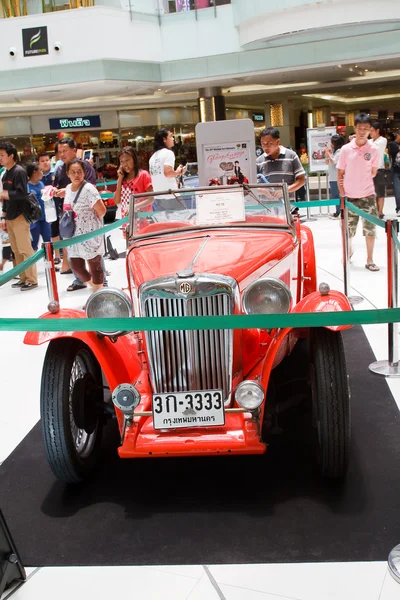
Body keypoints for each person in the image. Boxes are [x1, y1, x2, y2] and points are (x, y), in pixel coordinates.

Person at [54, 137, 98, 289]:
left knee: (92, 251)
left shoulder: (85, 166)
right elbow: (60, 186)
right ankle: (82, 280)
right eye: (59, 152)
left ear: (74, 150)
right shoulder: (60, 169)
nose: (62, 154)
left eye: (64, 151)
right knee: (74, 251)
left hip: (86, 216)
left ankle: (99, 281)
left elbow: (90, 188)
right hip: (68, 214)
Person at [337, 113, 380, 271]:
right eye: (360, 128)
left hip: (368, 195)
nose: (362, 131)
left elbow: (374, 171)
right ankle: (347, 251)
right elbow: (340, 173)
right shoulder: (346, 149)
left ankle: (370, 259)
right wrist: (342, 193)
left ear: (370, 130)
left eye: (366, 129)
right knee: (347, 230)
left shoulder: (374, 149)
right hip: (349, 197)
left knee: (370, 229)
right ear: (354, 128)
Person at [63, 159, 106, 299]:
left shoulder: (89, 189)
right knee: (77, 267)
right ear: (68, 174)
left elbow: (102, 211)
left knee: (95, 265)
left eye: (79, 172)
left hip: (89, 233)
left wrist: (89, 222)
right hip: (73, 235)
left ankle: (97, 296)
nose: (76, 175)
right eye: (73, 172)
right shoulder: (68, 188)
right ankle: (97, 290)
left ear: (84, 172)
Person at [0, 142, 38, 291]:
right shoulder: (5, 173)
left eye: (2, 155)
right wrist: (3, 216)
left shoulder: (19, 172)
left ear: (11, 156)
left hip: (20, 216)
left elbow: (21, 194)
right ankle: (23, 278)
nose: (0, 158)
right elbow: (5, 200)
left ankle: (32, 279)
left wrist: (4, 194)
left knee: (25, 249)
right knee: (16, 251)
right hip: (9, 216)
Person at [256, 127, 306, 214]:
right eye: (263, 144)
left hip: (288, 209)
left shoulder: (291, 156)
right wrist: (263, 191)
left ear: (278, 142)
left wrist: (285, 190)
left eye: (269, 143)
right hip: (266, 210)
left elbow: (302, 180)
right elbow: (252, 186)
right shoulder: (259, 161)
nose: (265, 147)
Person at [114, 146, 153, 225]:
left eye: (127, 160)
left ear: (134, 159)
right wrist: (119, 179)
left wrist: (134, 206)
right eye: (122, 161)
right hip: (127, 222)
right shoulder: (122, 179)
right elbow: (117, 201)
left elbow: (151, 198)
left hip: (143, 221)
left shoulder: (143, 175)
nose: (125, 164)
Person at [149, 128, 186, 210]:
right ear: (164, 139)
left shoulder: (152, 157)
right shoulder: (168, 153)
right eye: (171, 136)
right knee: (183, 217)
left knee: (167, 220)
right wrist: (178, 172)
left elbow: (159, 175)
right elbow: (168, 173)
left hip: (159, 197)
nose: (173, 139)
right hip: (170, 195)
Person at [27, 162, 51, 251]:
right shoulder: (27, 187)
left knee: (48, 243)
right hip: (34, 220)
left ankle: (49, 263)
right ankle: (33, 265)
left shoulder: (41, 184)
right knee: (34, 244)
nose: (42, 172)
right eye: (40, 170)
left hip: (45, 219)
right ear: (34, 172)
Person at [370, 122, 388, 219]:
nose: (370, 133)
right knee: (372, 192)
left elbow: (373, 146)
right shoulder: (369, 141)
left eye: (372, 131)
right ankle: (375, 210)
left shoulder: (382, 140)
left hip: (379, 170)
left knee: (380, 192)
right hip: (369, 170)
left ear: (377, 131)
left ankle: (380, 211)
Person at [326, 134, 345, 219]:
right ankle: (338, 211)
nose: (331, 144)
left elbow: (334, 162)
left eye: (332, 142)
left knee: (337, 195)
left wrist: (328, 154)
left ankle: (340, 212)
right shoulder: (334, 152)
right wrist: (328, 154)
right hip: (332, 177)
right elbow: (328, 162)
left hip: (336, 178)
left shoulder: (340, 152)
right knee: (335, 195)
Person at [388, 129, 400, 213]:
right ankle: (399, 208)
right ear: (398, 135)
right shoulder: (392, 144)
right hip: (396, 171)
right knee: (397, 190)